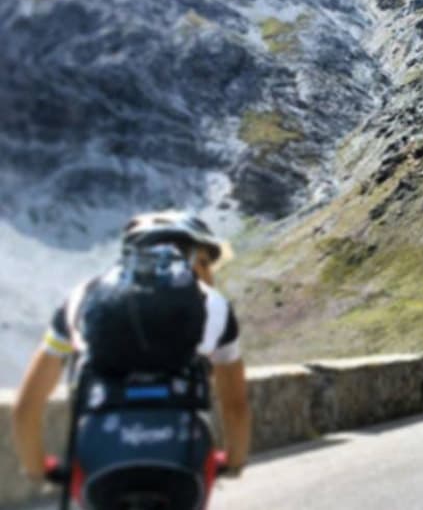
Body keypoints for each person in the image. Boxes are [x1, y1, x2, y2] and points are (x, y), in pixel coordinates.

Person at [12, 211, 252, 502]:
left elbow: (26, 407)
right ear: (190, 258)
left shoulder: (83, 296)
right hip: (180, 462)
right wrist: (234, 460)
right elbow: (235, 406)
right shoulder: (215, 305)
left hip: (101, 462)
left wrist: (39, 468)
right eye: (204, 262)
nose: (209, 275)